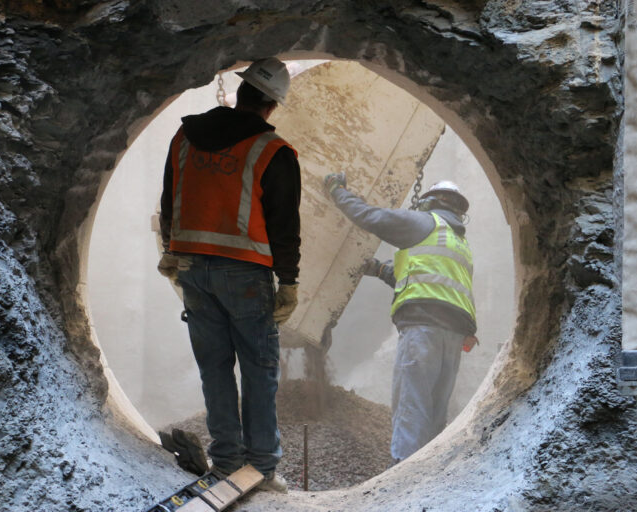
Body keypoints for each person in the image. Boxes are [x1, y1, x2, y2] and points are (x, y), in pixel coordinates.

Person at [158, 57, 301, 493]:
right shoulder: (272, 151)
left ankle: (225, 465)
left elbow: (169, 197)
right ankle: (260, 469)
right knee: (259, 369)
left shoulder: (184, 136)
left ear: (240, 92)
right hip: (245, 273)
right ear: (272, 106)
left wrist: (170, 248)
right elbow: (284, 225)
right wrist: (289, 281)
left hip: (192, 270)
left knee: (214, 367)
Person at [323, 174, 478, 465]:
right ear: (459, 211)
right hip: (455, 335)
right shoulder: (458, 242)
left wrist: (338, 191)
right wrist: (380, 270)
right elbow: (424, 279)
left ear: (429, 202)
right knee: (434, 411)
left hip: (423, 328)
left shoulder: (424, 222)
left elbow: (370, 217)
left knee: (412, 406)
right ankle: (427, 477)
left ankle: (402, 477)